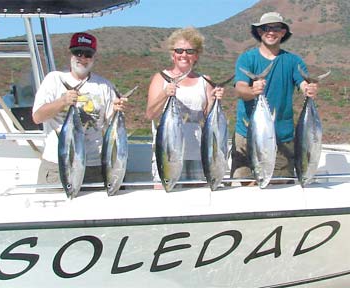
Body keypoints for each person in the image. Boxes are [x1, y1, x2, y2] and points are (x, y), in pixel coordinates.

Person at [230, 12, 319, 185]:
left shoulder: (293, 61)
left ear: (283, 32)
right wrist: (253, 90)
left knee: (279, 191)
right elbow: (240, 89)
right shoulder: (247, 58)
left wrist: (308, 89)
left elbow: (302, 83)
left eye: (276, 28)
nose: (271, 32)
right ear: (259, 32)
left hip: (281, 138)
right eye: (266, 28)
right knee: (244, 191)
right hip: (247, 136)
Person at [32, 32, 127, 185]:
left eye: (88, 54)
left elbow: (110, 125)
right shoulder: (54, 79)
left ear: (94, 57)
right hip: (58, 163)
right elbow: (37, 117)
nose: (82, 58)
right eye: (78, 52)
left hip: (93, 166)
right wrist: (62, 101)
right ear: (71, 54)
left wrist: (117, 109)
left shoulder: (104, 86)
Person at [146, 27, 224, 183]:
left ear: (196, 56)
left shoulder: (205, 81)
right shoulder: (161, 78)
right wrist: (164, 94)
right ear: (172, 54)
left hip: (199, 153)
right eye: (179, 50)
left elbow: (209, 116)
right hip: (167, 152)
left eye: (189, 51)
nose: (184, 55)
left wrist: (216, 100)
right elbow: (150, 115)